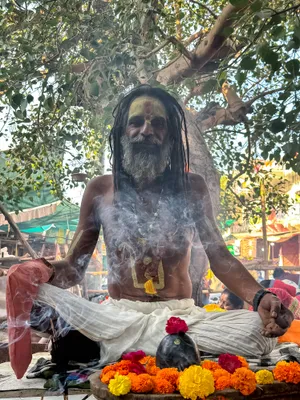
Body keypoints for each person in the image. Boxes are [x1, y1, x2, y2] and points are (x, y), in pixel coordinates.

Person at [7, 85, 293, 378]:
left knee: (257, 334)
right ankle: (171, 352)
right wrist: (40, 272)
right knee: (66, 324)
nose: (147, 130)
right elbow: (74, 267)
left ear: (169, 136)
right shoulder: (100, 189)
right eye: (136, 122)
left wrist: (259, 297)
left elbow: (220, 255)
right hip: (117, 317)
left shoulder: (191, 187)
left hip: (180, 317)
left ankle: (136, 349)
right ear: (122, 132)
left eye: (158, 123)